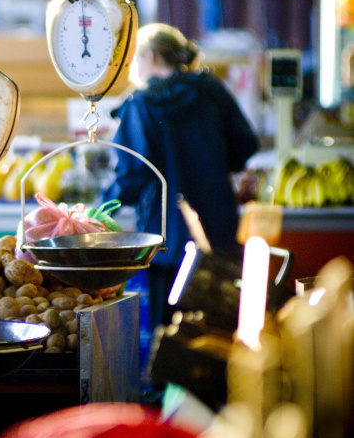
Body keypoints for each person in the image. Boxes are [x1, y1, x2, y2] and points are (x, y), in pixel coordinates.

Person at [103, 23, 260, 330]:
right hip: (218, 236)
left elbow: (133, 175)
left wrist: (100, 208)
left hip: (165, 240)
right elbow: (246, 144)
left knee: (168, 335)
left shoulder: (140, 103)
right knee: (216, 332)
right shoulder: (211, 90)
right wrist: (214, 166)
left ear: (150, 57)